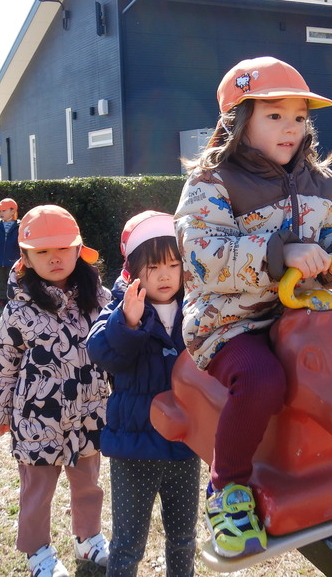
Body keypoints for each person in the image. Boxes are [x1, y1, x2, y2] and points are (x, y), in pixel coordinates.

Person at [175, 56, 332, 558]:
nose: (290, 127)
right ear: (237, 121)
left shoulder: (318, 181)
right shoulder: (212, 184)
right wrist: (278, 254)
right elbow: (200, 254)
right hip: (232, 321)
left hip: (305, 318)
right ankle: (227, 487)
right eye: (274, 115)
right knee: (262, 380)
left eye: (299, 116)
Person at [0, 204, 111, 577]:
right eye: (42, 252)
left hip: (89, 412)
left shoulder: (99, 300)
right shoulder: (19, 309)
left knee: (88, 483)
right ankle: (38, 551)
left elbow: (114, 348)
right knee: (37, 490)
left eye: (62, 249)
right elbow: (2, 362)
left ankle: (88, 538)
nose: (54, 258)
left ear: (78, 250)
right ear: (25, 257)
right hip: (38, 418)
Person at [88, 211, 201, 577]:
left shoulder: (197, 308)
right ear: (134, 269)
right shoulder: (121, 309)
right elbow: (103, 353)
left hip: (185, 444)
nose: (166, 275)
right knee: (127, 543)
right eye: (153, 266)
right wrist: (129, 322)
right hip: (134, 449)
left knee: (183, 537)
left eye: (173, 263)